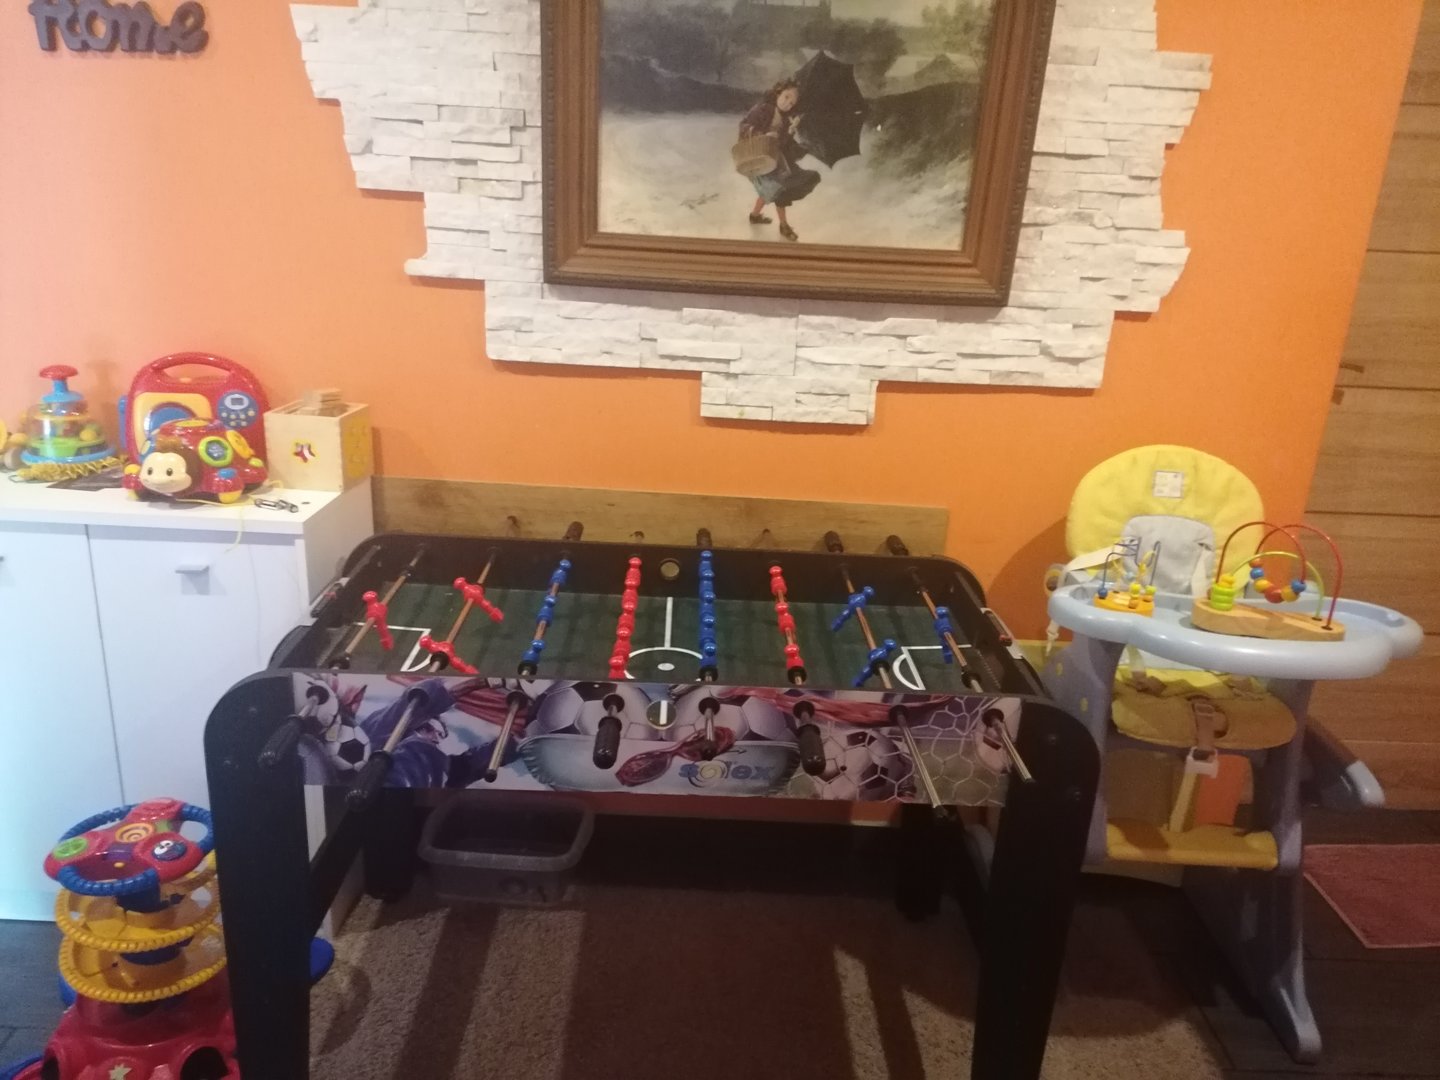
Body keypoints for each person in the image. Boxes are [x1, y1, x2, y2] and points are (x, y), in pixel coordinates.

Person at [738, 79, 821, 242]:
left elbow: (781, 144)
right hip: (758, 159)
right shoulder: (762, 109)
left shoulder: (786, 118)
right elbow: (744, 127)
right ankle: (784, 225)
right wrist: (763, 134)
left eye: (792, 102)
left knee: (771, 191)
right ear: (778, 93)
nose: (788, 103)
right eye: (786, 96)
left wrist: (790, 131)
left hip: (774, 160)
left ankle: (754, 216)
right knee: (779, 191)